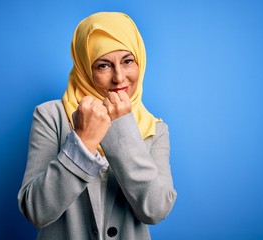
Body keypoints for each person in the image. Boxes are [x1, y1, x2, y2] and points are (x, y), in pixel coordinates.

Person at [18, 12, 177, 240]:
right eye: (103, 65)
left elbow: (156, 209)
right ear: (85, 68)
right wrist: (83, 141)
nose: (119, 78)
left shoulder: (155, 129)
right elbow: (36, 211)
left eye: (128, 61)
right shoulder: (51, 116)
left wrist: (121, 127)